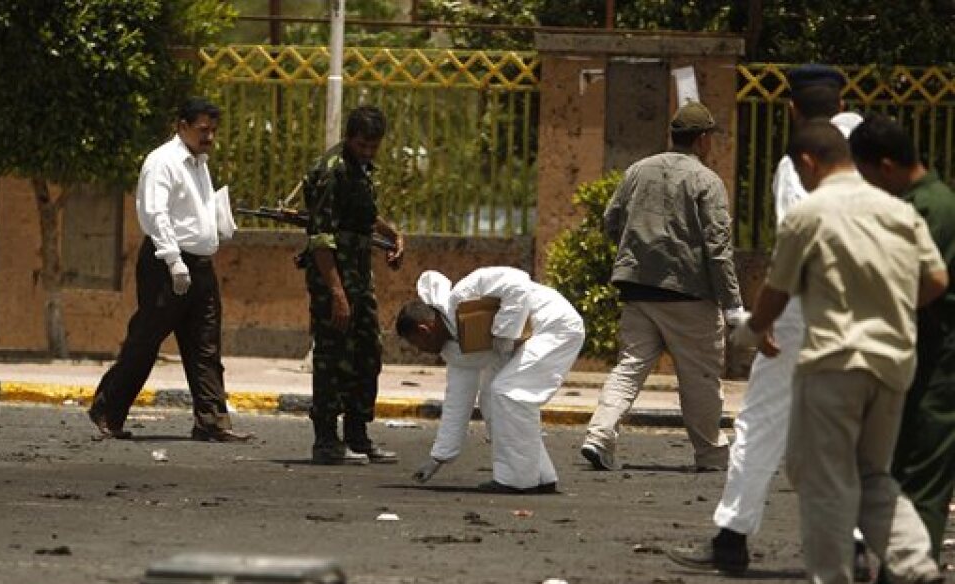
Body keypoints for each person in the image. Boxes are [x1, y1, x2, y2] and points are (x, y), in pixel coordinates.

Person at [732, 119, 946, 584]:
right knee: (872, 473)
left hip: (834, 362)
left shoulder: (809, 213)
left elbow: (777, 292)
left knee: (823, 478)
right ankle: (917, 566)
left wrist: (749, 332)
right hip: (894, 362)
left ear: (807, 163)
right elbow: (936, 279)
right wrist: (890, 313)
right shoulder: (899, 210)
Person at [668, 64, 867, 575]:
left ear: (792, 108)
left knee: (761, 420)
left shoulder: (798, 158)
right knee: (851, 425)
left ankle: (732, 536)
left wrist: (767, 314)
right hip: (868, 307)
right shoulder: (872, 145)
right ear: (842, 103)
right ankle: (860, 543)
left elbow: (795, 243)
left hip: (804, 309)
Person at [581, 101, 744, 472]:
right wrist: (732, 303)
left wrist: (638, 253)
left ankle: (599, 435)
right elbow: (718, 248)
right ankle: (711, 454)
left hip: (638, 289)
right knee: (700, 377)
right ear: (703, 140)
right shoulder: (707, 181)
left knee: (630, 367)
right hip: (689, 294)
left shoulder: (638, 170)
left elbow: (611, 220)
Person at [89, 98, 253, 443]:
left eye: (213, 131)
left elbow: (193, 211)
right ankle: (107, 409)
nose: (209, 137)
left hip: (201, 267)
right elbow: (155, 214)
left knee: (205, 345)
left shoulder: (199, 163)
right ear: (182, 126)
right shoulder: (162, 162)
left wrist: (217, 225)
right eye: (202, 130)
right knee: (146, 340)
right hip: (168, 266)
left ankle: (211, 420)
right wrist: (173, 259)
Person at [847, 114, 955, 584]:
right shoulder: (931, 203)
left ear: (886, 167)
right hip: (928, 355)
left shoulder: (926, 209)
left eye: (868, 175)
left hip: (939, 360)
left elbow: (920, 282)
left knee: (920, 475)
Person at [397, 266, 584, 493]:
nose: (421, 352)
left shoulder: (464, 294)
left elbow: (517, 282)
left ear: (425, 330)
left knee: (509, 393)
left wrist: (504, 333)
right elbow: (458, 400)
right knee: (491, 399)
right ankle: (540, 475)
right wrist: (438, 458)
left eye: (418, 345)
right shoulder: (454, 351)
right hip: (522, 344)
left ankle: (517, 480)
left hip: (554, 325)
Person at [302, 105, 404, 465]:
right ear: (349, 137)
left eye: (373, 146)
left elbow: (360, 213)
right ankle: (326, 438)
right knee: (332, 356)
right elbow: (320, 237)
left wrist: (391, 234)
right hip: (334, 278)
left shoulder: (360, 170)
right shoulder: (332, 172)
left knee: (367, 353)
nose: (367, 152)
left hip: (359, 276)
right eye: (362, 145)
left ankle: (358, 433)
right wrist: (337, 293)